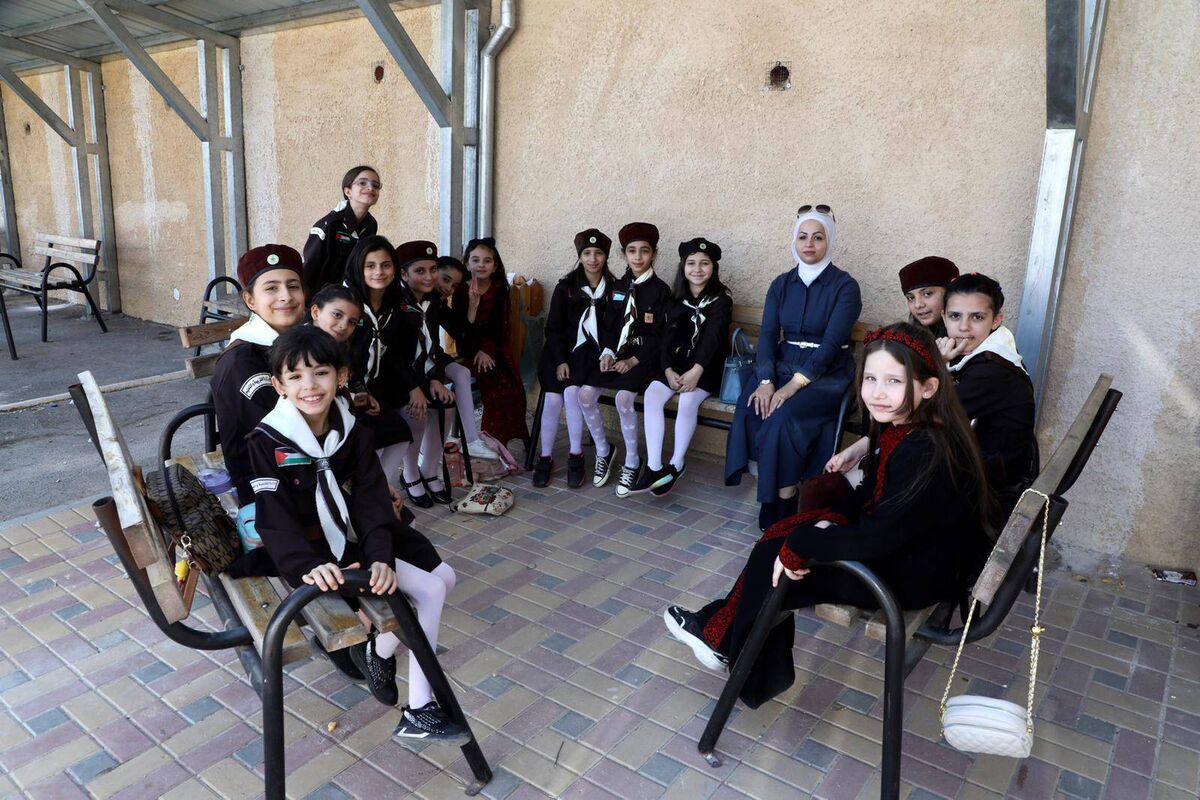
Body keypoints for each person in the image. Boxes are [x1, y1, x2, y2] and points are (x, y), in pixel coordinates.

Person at [665, 323, 990, 708]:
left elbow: (884, 534)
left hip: (910, 576)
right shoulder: (911, 428)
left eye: (893, 381)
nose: (877, 392)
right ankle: (723, 634)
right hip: (912, 555)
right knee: (784, 532)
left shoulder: (925, 447)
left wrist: (804, 543)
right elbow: (873, 495)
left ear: (928, 387)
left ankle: (729, 644)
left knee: (778, 552)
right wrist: (825, 521)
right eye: (870, 378)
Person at [246, 326, 470, 745]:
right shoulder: (267, 439)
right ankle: (419, 710)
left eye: (321, 373)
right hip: (312, 552)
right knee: (431, 591)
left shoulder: (350, 428)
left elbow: (369, 498)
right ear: (278, 385)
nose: (310, 387)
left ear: (342, 376)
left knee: (446, 578)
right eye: (295, 377)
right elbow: (273, 518)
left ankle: (377, 652)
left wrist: (379, 557)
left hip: (355, 537)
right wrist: (310, 566)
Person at [725, 205, 862, 530]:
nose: (809, 244)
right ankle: (777, 492)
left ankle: (781, 499)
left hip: (825, 375)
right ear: (794, 240)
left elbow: (832, 345)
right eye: (803, 237)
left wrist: (792, 385)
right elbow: (769, 335)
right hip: (783, 366)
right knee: (751, 408)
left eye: (818, 237)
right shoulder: (781, 284)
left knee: (781, 418)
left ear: (829, 240)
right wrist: (766, 379)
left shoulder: (845, 286)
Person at [630, 237, 732, 496]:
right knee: (653, 395)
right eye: (691, 263)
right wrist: (667, 370)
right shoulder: (676, 300)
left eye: (704, 263)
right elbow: (665, 340)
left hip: (706, 369)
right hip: (675, 366)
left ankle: (676, 464)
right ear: (683, 267)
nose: (697, 269)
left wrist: (696, 371)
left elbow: (713, 339)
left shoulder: (721, 300)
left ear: (713, 267)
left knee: (687, 401)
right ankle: (654, 467)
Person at [211, 244, 306, 508]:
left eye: (293, 285)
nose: (286, 296)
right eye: (271, 288)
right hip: (270, 487)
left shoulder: (294, 342)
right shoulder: (242, 360)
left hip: (300, 467)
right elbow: (279, 434)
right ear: (250, 300)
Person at [939, 272, 1036, 524]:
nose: (963, 327)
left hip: (991, 491)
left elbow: (929, 416)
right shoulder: (987, 353)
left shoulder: (991, 370)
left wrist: (937, 365)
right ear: (944, 318)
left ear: (996, 321)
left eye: (977, 317)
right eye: (955, 316)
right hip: (984, 470)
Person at [587, 222, 672, 497]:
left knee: (624, 398)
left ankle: (632, 461)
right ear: (623, 254)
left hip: (644, 360)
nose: (638, 257)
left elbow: (660, 337)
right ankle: (603, 450)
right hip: (617, 356)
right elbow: (611, 326)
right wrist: (608, 352)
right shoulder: (617, 286)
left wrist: (633, 360)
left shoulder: (660, 290)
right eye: (632, 251)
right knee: (585, 394)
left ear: (654, 254)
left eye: (644, 251)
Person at [309, 283, 412, 501]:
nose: (343, 325)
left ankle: (376, 489)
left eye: (351, 322)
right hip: (321, 420)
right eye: (337, 315)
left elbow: (353, 376)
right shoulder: (303, 345)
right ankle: (368, 492)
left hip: (348, 408)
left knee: (398, 428)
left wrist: (364, 395)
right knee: (369, 437)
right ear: (316, 311)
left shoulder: (342, 345)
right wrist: (349, 400)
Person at [531, 229, 615, 488]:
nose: (593, 259)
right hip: (560, 354)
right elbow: (553, 329)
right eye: (587, 253)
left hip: (590, 357)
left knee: (572, 394)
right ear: (579, 256)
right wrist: (560, 361)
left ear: (606, 257)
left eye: (598, 253)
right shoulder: (566, 287)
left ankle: (575, 453)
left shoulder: (614, 289)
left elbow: (615, 327)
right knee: (553, 399)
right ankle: (545, 456)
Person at [394, 240, 457, 506]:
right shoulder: (394, 303)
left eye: (433, 269)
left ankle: (429, 470)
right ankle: (410, 475)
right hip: (398, 377)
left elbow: (434, 345)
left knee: (448, 404)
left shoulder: (432, 300)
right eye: (420, 271)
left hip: (424, 372)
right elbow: (394, 356)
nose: (429, 276)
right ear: (404, 274)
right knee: (417, 414)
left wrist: (435, 379)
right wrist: (414, 387)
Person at [455, 237, 529, 450]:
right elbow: (460, 329)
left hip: (494, 347)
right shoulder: (460, 290)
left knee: (512, 387)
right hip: (468, 348)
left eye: (487, 261)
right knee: (493, 387)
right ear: (467, 262)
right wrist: (472, 305)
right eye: (475, 260)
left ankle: (505, 438)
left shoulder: (499, 289)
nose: (481, 265)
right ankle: (488, 441)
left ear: (495, 265)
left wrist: (486, 349)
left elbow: (499, 326)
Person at [302, 165, 381, 298]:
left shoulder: (371, 224)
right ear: (348, 191)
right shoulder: (330, 223)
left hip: (352, 295)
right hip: (323, 298)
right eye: (362, 183)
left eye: (376, 185)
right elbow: (311, 265)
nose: (370, 188)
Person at [899, 256, 959, 337]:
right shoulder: (907, 340)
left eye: (927, 294)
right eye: (911, 298)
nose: (918, 305)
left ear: (950, 293)